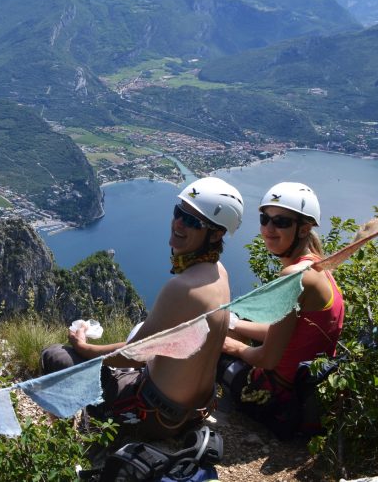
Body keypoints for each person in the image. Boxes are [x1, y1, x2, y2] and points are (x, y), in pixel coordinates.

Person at [41, 177, 244, 441]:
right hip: (193, 413)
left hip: (153, 417)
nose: (179, 223)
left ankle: (63, 443)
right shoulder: (219, 273)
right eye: (179, 212)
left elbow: (132, 355)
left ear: (216, 234)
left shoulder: (183, 287)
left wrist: (83, 347)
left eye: (193, 221)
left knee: (55, 356)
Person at [219, 181, 344, 438]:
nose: (268, 228)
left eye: (281, 222)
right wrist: (233, 323)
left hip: (275, 400)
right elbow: (286, 334)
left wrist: (230, 346)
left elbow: (267, 359)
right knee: (234, 321)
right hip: (302, 393)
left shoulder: (294, 276)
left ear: (304, 229)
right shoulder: (319, 266)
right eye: (264, 219)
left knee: (210, 344)